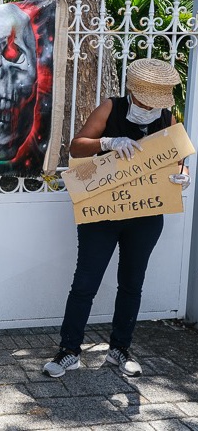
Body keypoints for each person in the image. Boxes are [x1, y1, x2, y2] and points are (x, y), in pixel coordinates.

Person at [43, 58, 191, 379]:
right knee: (86, 283)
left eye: (157, 103)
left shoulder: (166, 116)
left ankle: (119, 350)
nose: (150, 108)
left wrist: (184, 175)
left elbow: (178, 159)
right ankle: (69, 351)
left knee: (132, 284)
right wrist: (107, 142)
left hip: (146, 215)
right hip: (103, 214)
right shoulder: (111, 108)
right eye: (145, 101)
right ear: (132, 92)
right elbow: (77, 146)